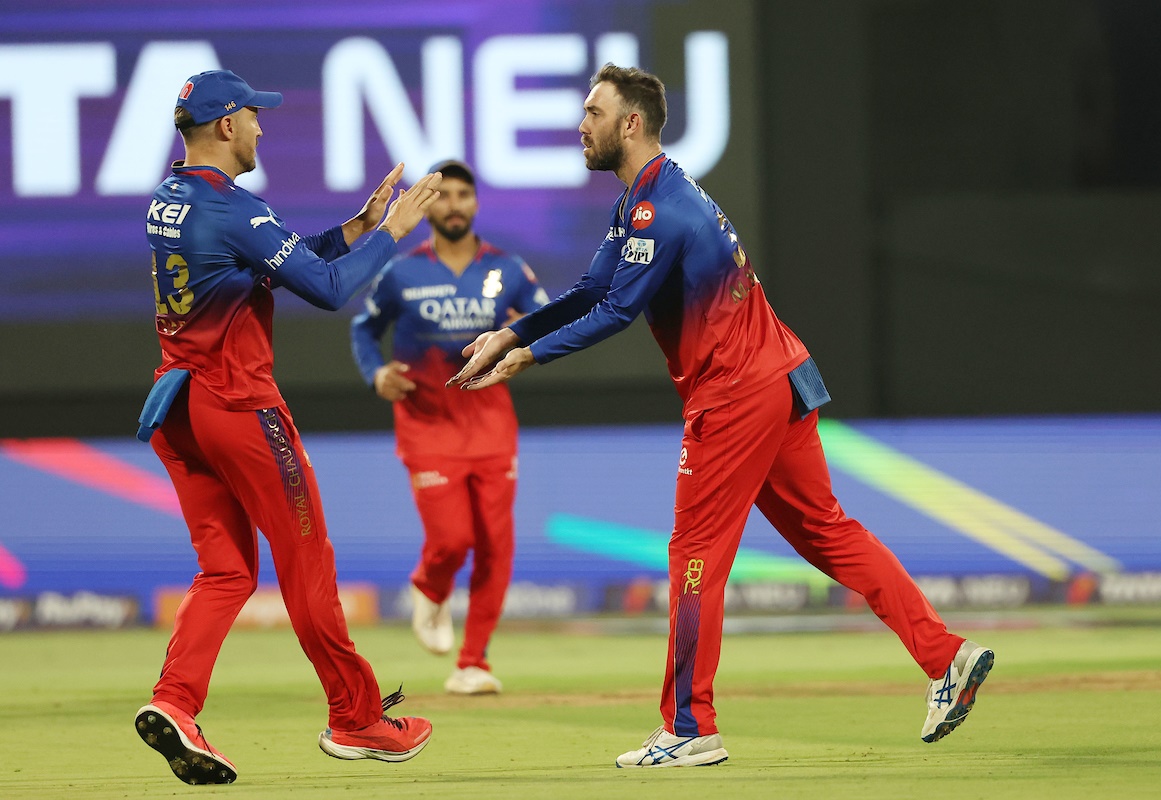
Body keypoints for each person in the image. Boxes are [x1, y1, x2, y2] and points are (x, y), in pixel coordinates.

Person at [447, 64, 995, 768]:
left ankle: (688, 726)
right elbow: (590, 287)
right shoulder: (645, 198)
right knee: (829, 532)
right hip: (778, 377)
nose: (580, 124)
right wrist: (513, 333)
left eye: (593, 111)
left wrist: (534, 356)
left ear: (631, 124)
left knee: (693, 556)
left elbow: (617, 310)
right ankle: (946, 657)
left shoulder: (657, 210)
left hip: (735, 395)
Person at [133, 68, 443, 785]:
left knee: (226, 571)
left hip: (178, 409)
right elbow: (328, 290)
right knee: (306, 560)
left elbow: (276, 265)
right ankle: (357, 717)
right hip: (240, 407)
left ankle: (174, 703)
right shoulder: (233, 209)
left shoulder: (171, 200)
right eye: (254, 114)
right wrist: (393, 234)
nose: (264, 127)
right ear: (225, 126)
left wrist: (357, 228)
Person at [350, 159, 548, 696]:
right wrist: (377, 374)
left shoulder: (507, 268)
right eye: (443, 195)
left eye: (463, 194)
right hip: (426, 425)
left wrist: (521, 339)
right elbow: (365, 329)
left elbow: (548, 319)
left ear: (476, 203)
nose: (454, 204)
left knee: (494, 544)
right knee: (452, 539)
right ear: (428, 205)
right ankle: (428, 585)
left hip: (491, 426)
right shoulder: (401, 272)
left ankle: (473, 661)